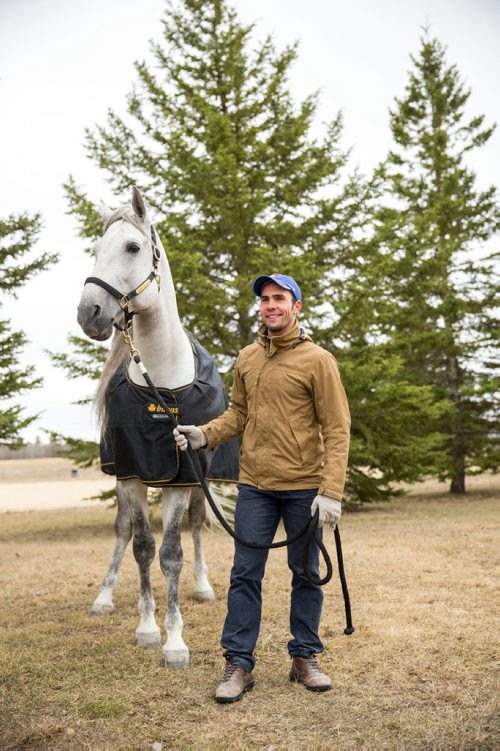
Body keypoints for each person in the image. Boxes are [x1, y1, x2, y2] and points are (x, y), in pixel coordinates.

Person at [173, 273, 350, 703]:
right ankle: (239, 664)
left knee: (306, 574)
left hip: (305, 488)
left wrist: (331, 491)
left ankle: (305, 656)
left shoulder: (318, 360)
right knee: (244, 575)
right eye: (265, 299)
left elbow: (338, 428)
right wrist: (204, 434)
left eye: (279, 299)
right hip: (255, 486)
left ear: (296, 307)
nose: (270, 305)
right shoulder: (248, 358)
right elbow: (238, 415)